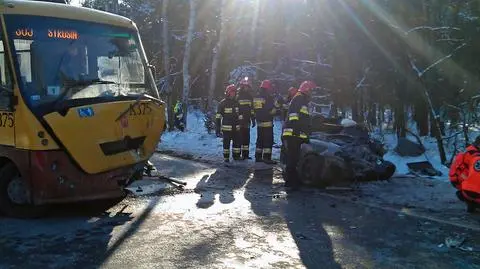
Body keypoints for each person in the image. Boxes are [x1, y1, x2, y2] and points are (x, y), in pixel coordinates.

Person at [281, 80, 316, 189]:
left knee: (295, 158)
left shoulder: (302, 100)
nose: (312, 93)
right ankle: (290, 183)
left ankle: (294, 180)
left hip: (296, 134)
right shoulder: (299, 98)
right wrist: (297, 130)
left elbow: (303, 119)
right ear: (306, 90)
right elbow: (293, 115)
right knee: (293, 158)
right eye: (311, 90)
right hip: (293, 134)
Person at [449, 136, 480, 213]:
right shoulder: (476, 157)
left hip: (458, 180)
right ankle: (473, 201)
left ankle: (469, 199)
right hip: (469, 187)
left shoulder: (469, 150)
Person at [253, 80, 278, 164]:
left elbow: (257, 109)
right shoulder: (268, 97)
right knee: (268, 140)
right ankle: (267, 158)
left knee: (260, 139)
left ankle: (258, 156)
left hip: (259, 122)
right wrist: (277, 109)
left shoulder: (257, 96)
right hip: (267, 122)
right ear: (268, 88)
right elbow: (270, 110)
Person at [216, 84, 241, 162]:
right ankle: (226, 157)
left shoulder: (237, 103)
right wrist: (217, 128)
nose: (234, 94)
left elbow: (240, 114)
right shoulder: (222, 103)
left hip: (236, 128)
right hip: (227, 128)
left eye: (235, 92)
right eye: (232, 92)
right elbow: (218, 117)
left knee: (237, 143)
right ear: (228, 93)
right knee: (226, 144)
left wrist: (241, 123)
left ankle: (236, 156)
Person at [236, 77, 256, 160]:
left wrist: (253, 119)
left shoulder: (250, 96)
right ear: (241, 86)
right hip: (239, 121)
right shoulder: (237, 96)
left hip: (247, 121)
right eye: (245, 86)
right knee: (239, 138)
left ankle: (245, 155)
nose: (246, 88)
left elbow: (252, 109)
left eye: (248, 86)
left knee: (246, 138)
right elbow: (235, 108)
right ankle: (237, 155)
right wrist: (239, 117)